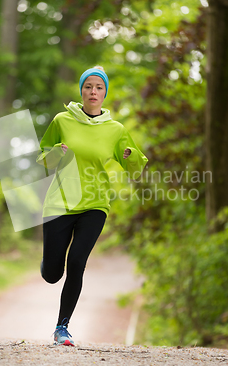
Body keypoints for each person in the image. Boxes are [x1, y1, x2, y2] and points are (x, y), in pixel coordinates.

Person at [36, 66, 148, 346]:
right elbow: (44, 159)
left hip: (95, 203)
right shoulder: (62, 120)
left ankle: (62, 328)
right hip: (60, 202)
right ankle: (48, 265)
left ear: (105, 92)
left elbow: (135, 166)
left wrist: (130, 154)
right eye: (89, 87)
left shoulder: (115, 130)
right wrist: (54, 153)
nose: (93, 92)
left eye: (99, 87)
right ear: (81, 91)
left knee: (77, 262)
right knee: (53, 274)